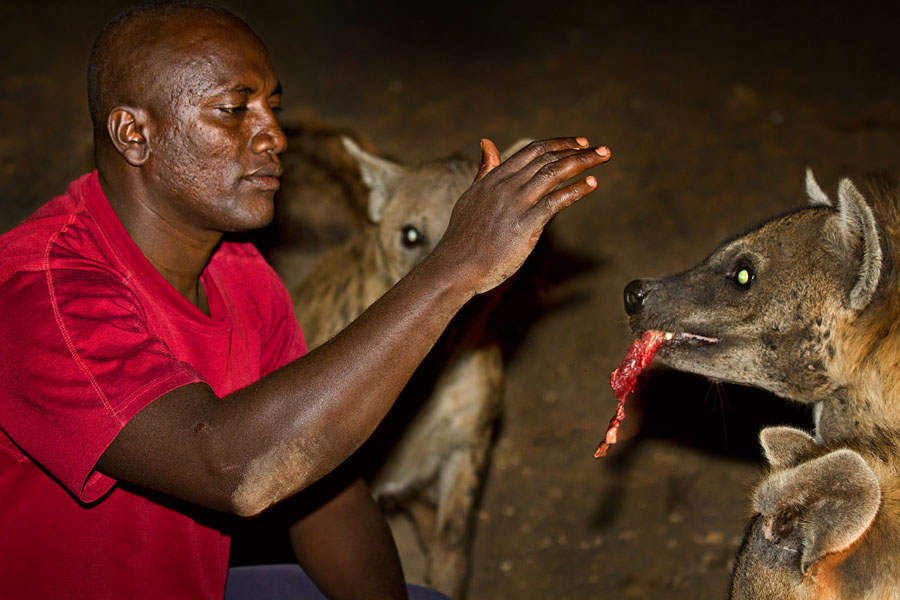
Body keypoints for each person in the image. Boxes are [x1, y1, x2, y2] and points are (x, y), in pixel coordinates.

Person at [0, 2, 611, 599]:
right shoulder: (42, 292)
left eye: (273, 108)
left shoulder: (240, 274)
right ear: (135, 133)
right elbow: (230, 469)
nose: (273, 136)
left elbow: (321, 485)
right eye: (234, 110)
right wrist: (452, 267)